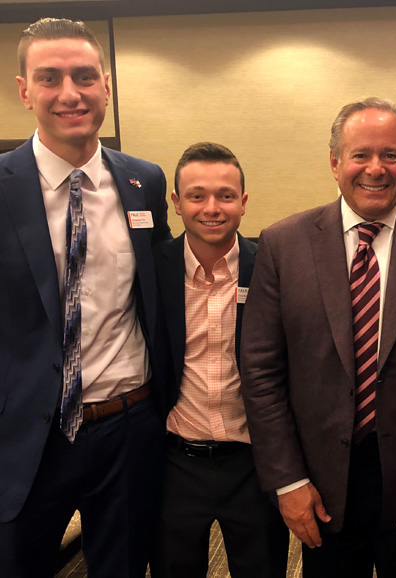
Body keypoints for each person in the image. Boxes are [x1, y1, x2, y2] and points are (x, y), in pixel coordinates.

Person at [240, 97, 396, 578]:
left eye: (390, 155)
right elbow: (261, 372)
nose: (376, 168)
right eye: (360, 155)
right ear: (335, 163)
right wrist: (287, 481)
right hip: (320, 486)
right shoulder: (282, 244)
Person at [0, 17, 170, 578]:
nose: (69, 93)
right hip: (27, 436)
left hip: (129, 427)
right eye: (49, 78)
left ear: (107, 86)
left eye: (84, 77)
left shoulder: (144, 181)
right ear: (24, 90)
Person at [150, 142, 288, 578]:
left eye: (226, 196)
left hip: (254, 465)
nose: (212, 208)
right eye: (196, 196)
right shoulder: (150, 270)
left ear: (243, 203)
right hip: (174, 464)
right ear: (176, 203)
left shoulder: (271, 266)